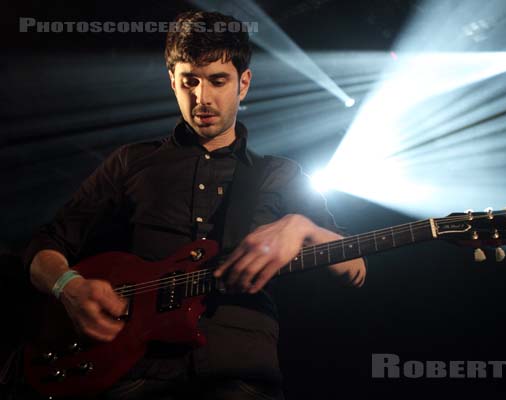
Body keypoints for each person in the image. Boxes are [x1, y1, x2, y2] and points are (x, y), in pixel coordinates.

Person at [23, 10, 366, 400]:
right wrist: (69, 286)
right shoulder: (132, 161)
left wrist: (302, 226)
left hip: (239, 372)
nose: (202, 98)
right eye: (189, 82)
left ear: (244, 84)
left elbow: (355, 267)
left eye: (218, 81)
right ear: (173, 81)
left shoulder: (280, 175)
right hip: (131, 371)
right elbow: (44, 244)